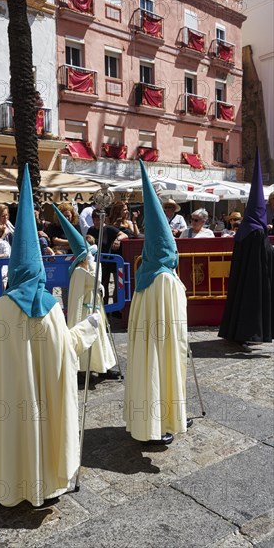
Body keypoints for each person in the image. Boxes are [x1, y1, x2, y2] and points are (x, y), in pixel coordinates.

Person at [0, 165, 100, 508]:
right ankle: (43, 485)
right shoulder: (51, 307)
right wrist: (91, 327)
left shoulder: (2, 308)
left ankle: (4, 483)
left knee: (6, 420)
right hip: (41, 397)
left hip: (7, 397)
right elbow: (66, 351)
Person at [124, 160, 191, 446]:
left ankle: (158, 418)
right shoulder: (164, 279)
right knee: (162, 372)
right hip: (163, 343)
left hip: (149, 343)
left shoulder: (146, 274)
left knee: (150, 373)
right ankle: (160, 422)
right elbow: (174, 322)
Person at [53, 204, 119, 379]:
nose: (92, 258)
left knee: (100, 338)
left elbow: (98, 286)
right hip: (84, 311)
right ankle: (83, 369)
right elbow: (90, 285)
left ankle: (103, 365)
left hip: (95, 308)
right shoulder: (80, 272)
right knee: (86, 339)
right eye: (89, 256)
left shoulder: (91, 267)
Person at [219, 149, 274, 353]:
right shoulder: (258, 231)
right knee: (250, 304)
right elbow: (266, 253)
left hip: (242, 275)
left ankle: (233, 332)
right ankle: (246, 334)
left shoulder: (244, 228)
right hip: (254, 278)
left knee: (237, 300)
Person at [87, 209, 128, 305]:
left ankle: (115, 309)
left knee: (118, 285)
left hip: (110, 261)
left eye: (99, 219)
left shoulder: (109, 229)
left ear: (103, 219)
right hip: (98, 262)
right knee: (101, 286)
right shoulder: (91, 230)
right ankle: (104, 309)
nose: (97, 222)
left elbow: (124, 235)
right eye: (95, 219)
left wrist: (117, 239)